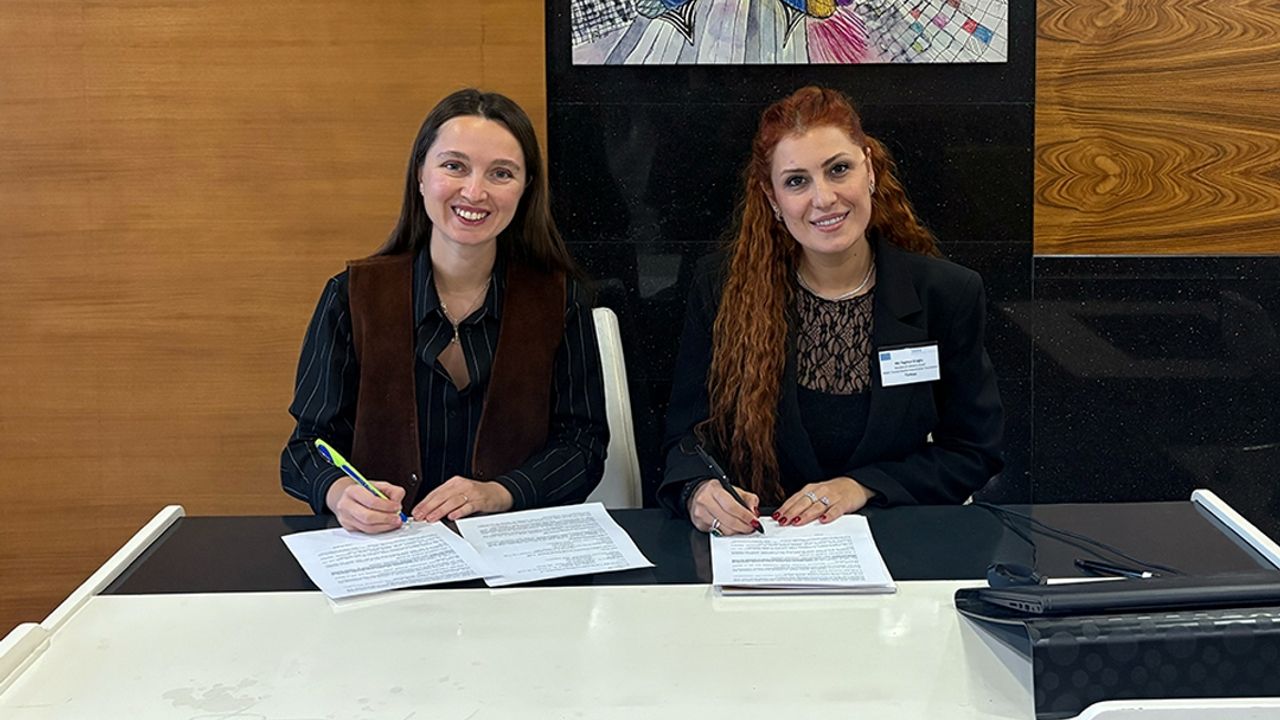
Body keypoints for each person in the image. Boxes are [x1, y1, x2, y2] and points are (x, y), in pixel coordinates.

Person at [660, 86, 1003, 536]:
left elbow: (973, 452)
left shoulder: (946, 293)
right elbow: (684, 440)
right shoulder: (722, 288)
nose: (823, 198)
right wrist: (697, 490)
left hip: (898, 545)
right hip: (761, 544)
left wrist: (862, 486)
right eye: (796, 181)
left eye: (838, 169)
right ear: (772, 198)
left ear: (870, 170)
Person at [282, 89, 608, 534]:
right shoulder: (351, 297)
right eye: (454, 166)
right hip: (387, 549)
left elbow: (583, 447)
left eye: (501, 173)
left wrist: (500, 492)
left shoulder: (559, 300)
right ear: (420, 174)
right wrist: (339, 493)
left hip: (512, 549)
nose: (474, 191)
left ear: (526, 189)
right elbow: (305, 448)